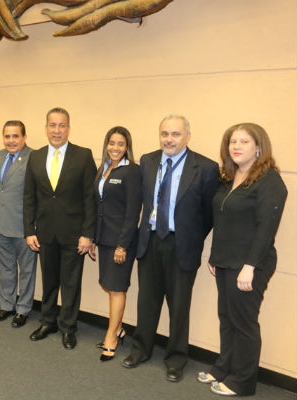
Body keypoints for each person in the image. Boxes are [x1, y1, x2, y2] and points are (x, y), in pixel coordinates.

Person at [122, 115, 220, 382]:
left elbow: (210, 214)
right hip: (151, 240)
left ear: (187, 136)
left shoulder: (206, 168)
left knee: (179, 306)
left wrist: (191, 236)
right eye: (165, 133)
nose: (169, 139)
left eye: (175, 134)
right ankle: (140, 350)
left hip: (182, 244)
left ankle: (176, 359)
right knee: (147, 302)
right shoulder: (147, 161)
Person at [199, 123, 287, 396]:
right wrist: (215, 256)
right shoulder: (230, 177)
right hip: (226, 260)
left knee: (244, 323)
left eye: (244, 141)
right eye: (232, 142)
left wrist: (250, 267)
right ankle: (225, 366)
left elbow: (266, 228)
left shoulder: (269, 180)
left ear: (258, 147)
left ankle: (243, 381)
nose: (236, 146)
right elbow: (222, 221)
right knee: (226, 317)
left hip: (250, 263)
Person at [23, 107, 97, 350]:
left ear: (68, 128)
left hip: (74, 234)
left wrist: (88, 234)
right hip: (44, 232)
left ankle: (68, 327)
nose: (57, 130)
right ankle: (48, 321)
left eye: (62, 125)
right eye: (52, 125)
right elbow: (29, 197)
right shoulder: (35, 156)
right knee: (50, 280)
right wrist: (29, 230)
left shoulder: (83, 156)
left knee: (71, 283)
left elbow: (90, 198)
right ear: (46, 128)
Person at [93, 126, 141, 361]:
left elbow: (133, 212)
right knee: (110, 286)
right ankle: (119, 328)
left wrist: (123, 244)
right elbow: (97, 207)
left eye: (120, 144)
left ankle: (112, 336)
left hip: (121, 241)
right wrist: (93, 237)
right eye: (112, 143)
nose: (115, 148)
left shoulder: (131, 171)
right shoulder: (103, 168)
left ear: (127, 147)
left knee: (117, 288)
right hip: (104, 239)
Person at [0, 120, 37, 328]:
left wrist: (33, 226)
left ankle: (23, 309)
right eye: (7, 136)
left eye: (15, 136)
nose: (11, 140)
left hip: (24, 226)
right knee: (6, 268)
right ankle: (7, 305)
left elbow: (38, 195)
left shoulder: (34, 157)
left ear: (24, 137)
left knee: (27, 271)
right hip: (1, 225)